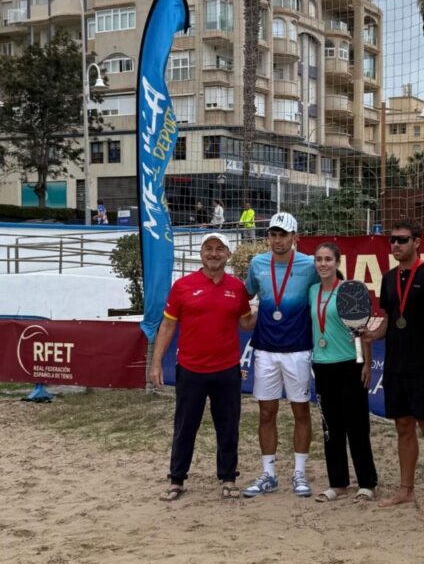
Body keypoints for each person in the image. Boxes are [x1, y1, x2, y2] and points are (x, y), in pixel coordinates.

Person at [149, 232, 255, 501]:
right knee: (185, 427)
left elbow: (245, 323)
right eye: (208, 249)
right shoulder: (183, 286)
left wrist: (266, 307)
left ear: (228, 255)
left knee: (228, 426)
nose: (214, 254)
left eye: (220, 249)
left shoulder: (237, 288)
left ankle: (228, 478)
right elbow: (168, 325)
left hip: (227, 370)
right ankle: (176, 479)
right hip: (191, 370)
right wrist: (156, 362)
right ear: (201, 254)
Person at [364, 219, 424, 515]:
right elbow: (390, 318)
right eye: (392, 241)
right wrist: (373, 334)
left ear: (418, 241)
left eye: (402, 240)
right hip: (395, 364)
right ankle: (406, 490)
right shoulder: (388, 278)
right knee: (403, 427)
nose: (396, 245)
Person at [243, 212, 319, 498]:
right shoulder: (257, 263)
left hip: (299, 349)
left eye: (283, 234)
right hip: (264, 349)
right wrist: (246, 319)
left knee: (301, 410)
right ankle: (269, 474)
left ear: (295, 237)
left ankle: (299, 472)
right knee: (266, 412)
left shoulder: (311, 264)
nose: (277, 240)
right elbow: (246, 295)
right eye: (273, 234)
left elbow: (330, 291)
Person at [310, 242, 378, 502]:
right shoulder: (312, 291)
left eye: (328, 259)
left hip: (351, 363)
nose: (323, 264)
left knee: (357, 426)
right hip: (323, 365)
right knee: (331, 428)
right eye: (319, 259)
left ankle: (367, 483)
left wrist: (367, 364)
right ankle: (337, 483)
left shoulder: (349, 291)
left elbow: (363, 331)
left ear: (338, 263)